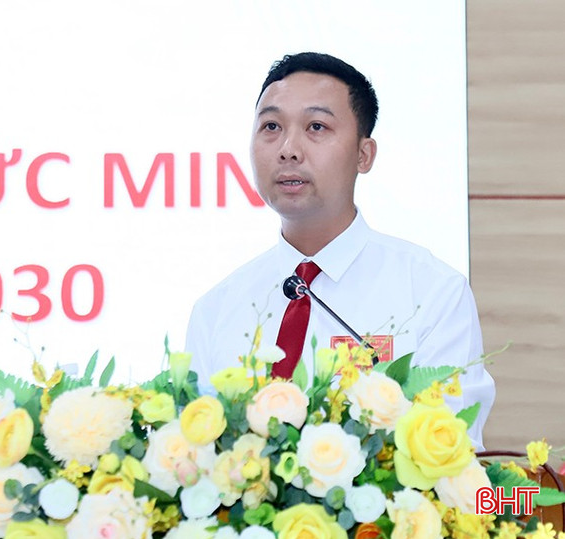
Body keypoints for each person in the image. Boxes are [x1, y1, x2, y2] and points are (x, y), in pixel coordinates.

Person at [184, 52, 494, 449]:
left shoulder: (433, 293)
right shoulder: (216, 310)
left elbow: (453, 451)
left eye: (316, 127)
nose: (288, 149)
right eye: (271, 126)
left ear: (364, 155)